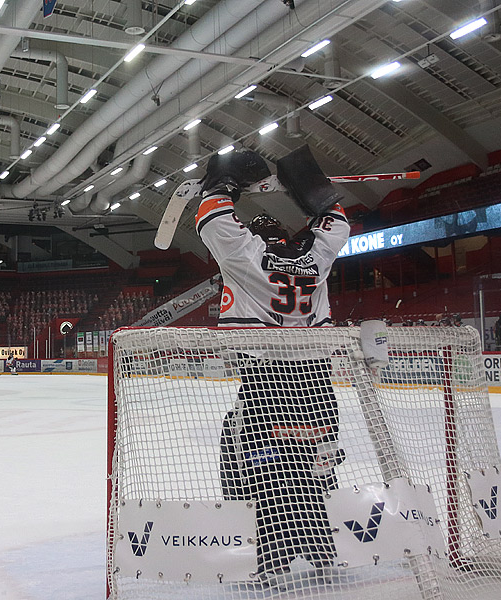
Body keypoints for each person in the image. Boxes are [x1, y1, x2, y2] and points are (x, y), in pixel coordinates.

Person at [195, 147, 350, 585]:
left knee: (268, 476)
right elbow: (336, 223)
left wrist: (227, 183)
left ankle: (273, 558)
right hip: (317, 383)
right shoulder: (315, 261)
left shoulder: (246, 257)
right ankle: (322, 551)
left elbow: (211, 218)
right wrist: (313, 190)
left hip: (266, 382)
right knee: (315, 470)